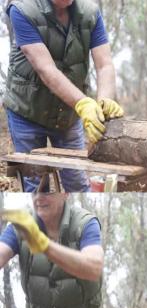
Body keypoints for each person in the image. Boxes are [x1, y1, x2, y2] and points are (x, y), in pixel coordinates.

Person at [4, 0, 124, 192]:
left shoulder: (90, 13)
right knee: (35, 185)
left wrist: (104, 100)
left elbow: (105, 65)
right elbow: (46, 69)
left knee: (76, 182)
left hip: (67, 115)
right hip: (27, 112)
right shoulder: (22, 10)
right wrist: (83, 103)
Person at [0, 193, 104, 308]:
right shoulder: (21, 225)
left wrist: (43, 245)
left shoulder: (85, 223)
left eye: (47, 191)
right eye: (34, 191)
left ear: (65, 193)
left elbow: (94, 268)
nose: (39, 197)